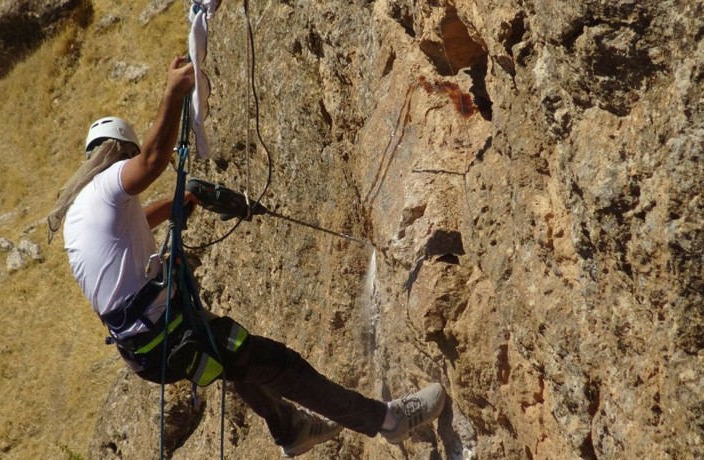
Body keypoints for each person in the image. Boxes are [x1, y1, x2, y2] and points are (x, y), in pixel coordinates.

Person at [47, 56, 446, 457]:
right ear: (121, 153)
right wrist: (173, 91)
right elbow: (151, 161)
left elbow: (137, 221)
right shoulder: (108, 186)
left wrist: (185, 200)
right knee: (280, 365)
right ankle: (388, 421)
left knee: (237, 358)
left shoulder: (78, 216)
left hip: (149, 352)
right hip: (168, 334)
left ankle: (289, 429)